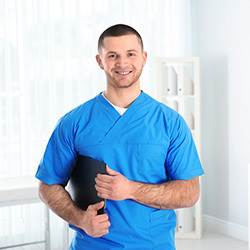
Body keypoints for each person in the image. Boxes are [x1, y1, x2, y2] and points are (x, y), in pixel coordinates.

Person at [36, 24, 204, 249]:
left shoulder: (170, 123)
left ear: (143, 58)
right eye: (112, 55)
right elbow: (48, 185)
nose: (122, 63)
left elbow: (190, 192)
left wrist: (131, 189)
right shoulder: (73, 122)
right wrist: (80, 220)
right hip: (92, 244)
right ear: (100, 61)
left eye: (131, 54)